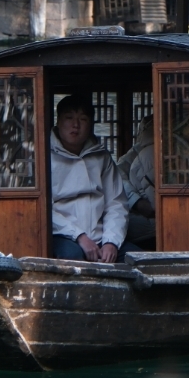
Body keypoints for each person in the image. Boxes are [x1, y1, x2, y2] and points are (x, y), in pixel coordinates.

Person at [49, 94, 132, 263]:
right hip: (63, 235)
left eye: (83, 119)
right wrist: (79, 236)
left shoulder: (101, 157)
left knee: (138, 260)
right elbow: (43, 209)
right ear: (58, 121)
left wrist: (111, 242)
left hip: (101, 235)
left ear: (91, 125)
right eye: (69, 118)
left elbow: (116, 203)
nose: (76, 125)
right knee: (72, 258)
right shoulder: (44, 157)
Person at [117, 115, 157, 249]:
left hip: (152, 227)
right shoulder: (137, 154)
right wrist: (137, 202)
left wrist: (137, 202)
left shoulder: (144, 154)